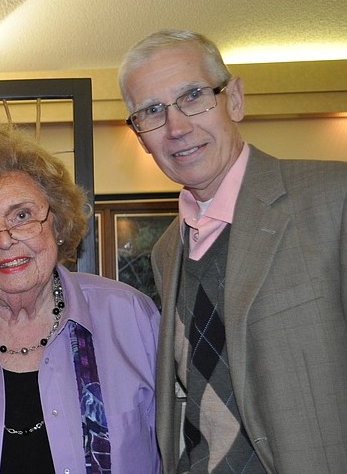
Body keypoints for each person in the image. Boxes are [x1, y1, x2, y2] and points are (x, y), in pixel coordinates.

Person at [118, 29, 347, 473]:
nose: (177, 126)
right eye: (152, 111)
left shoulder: (332, 199)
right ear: (141, 137)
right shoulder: (167, 251)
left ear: (235, 99)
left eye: (192, 96)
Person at [0, 125, 161, 473]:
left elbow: (181, 446)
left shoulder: (130, 317)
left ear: (55, 221)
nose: (4, 240)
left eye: (21, 216)